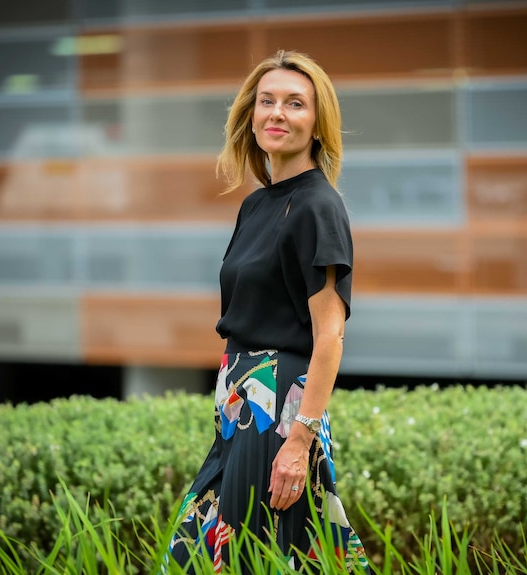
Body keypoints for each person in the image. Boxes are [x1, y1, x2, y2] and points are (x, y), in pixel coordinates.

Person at [167, 50, 369, 573]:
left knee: (233, 556)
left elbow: (330, 335)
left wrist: (299, 438)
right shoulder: (257, 203)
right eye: (267, 101)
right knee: (208, 552)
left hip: (277, 408)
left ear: (318, 123)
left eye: (295, 103)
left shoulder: (317, 207)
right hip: (238, 408)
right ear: (250, 115)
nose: (277, 113)